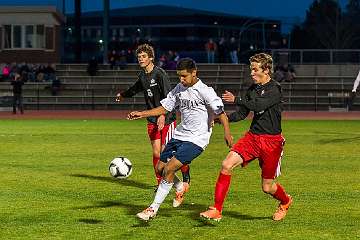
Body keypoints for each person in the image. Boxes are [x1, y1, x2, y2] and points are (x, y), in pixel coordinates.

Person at [128, 58, 233, 221]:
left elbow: (221, 113)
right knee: (159, 168)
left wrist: (227, 133)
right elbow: (165, 107)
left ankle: (152, 209)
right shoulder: (179, 88)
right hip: (180, 135)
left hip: (197, 140)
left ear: (194, 73)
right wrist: (142, 113)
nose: (181, 80)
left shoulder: (205, 91)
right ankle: (179, 187)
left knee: (169, 169)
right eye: (179, 76)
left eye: (184, 76)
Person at [200, 53, 292, 222]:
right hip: (252, 138)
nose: (251, 73)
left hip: (271, 142)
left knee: (267, 187)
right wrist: (222, 119)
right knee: (226, 165)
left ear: (265, 69)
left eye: (255, 69)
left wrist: (237, 99)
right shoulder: (252, 89)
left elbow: (259, 105)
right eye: (251, 69)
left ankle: (285, 201)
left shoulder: (275, 88)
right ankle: (217, 210)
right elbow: (242, 114)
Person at [115, 44, 191, 189]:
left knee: (166, 152)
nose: (141, 59)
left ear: (151, 57)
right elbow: (135, 88)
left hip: (167, 118)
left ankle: (185, 172)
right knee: (156, 152)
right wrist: (123, 95)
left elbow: (170, 97)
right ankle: (160, 183)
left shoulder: (160, 74)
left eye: (144, 56)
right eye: (139, 57)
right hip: (151, 119)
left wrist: (163, 115)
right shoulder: (143, 75)